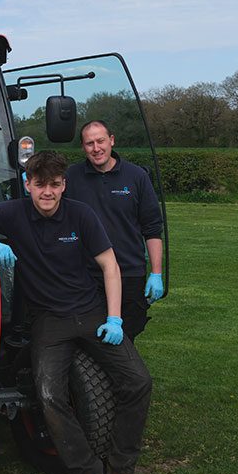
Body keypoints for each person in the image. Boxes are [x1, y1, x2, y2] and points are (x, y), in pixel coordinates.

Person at [0, 150, 164, 474]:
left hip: (91, 310)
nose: (47, 192)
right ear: (28, 185)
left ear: (63, 185)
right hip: (48, 320)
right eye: (40, 185)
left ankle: (122, 473)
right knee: (49, 395)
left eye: (54, 184)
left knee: (138, 382)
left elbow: (109, 265)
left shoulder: (81, 214)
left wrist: (114, 319)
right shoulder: (15, 212)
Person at [64, 120, 164, 340]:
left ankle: (123, 375)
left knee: (127, 337)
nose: (96, 148)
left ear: (111, 140)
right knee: (90, 338)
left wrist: (156, 273)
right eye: (89, 143)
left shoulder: (136, 176)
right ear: (83, 147)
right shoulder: (71, 177)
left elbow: (152, 228)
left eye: (100, 141)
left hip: (129, 272)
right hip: (87, 275)